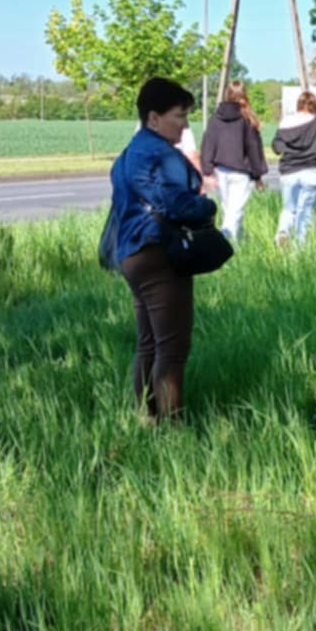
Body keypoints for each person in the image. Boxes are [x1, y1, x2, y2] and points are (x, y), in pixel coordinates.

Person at [104, 77, 217, 421]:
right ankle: (172, 430)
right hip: (159, 253)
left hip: (131, 254)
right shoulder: (161, 155)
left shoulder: (130, 152)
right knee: (173, 349)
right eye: (179, 116)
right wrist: (208, 207)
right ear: (154, 118)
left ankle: (146, 418)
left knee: (149, 343)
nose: (185, 125)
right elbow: (178, 205)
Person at [200, 81, 267, 242]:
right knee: (234, 212)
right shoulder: (247, 119)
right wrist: (257, 175)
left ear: (227, 94)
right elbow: (252, 148)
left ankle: (237, 244)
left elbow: (208, 144)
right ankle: (224, 237)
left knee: (230, 211)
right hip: (241, 173)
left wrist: (207, 170)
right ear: (244, 94)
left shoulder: (215, 118)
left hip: (220, 171)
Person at [272, 88, 316, 246]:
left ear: (298, 104)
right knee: (306, 211)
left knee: (288, 208)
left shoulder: (286, 122)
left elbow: (276, 147)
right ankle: (300, 248)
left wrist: (291, 151)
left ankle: (283, 231)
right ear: (314, 105)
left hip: (288, 171)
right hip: (310, 171)